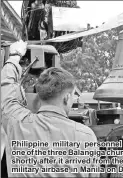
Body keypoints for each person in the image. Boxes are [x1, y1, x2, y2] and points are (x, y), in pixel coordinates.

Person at [1, 41, 99, 177]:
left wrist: (14, 56)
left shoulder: (17, 123)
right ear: (66, 98)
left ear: (39, 95)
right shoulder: (87, 137)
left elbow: (6, 88)